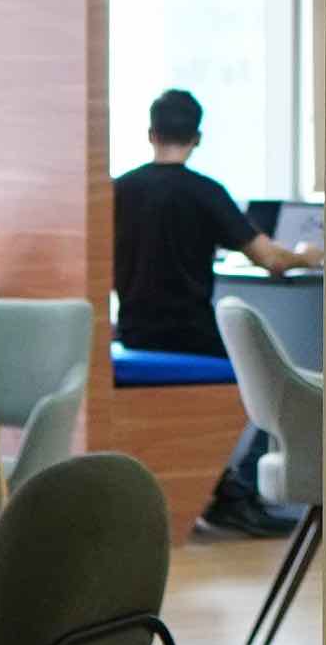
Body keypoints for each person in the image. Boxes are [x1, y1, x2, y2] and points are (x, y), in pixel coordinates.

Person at [113, 87, 310, 535]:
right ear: (197, 138)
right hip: (191, 335)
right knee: (272, 377)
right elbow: (271, 259)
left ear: (150, 133)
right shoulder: (204, 192)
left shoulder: (120, 190)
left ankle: (220, 484)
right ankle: (237, 491)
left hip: (134, 331)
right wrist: (308, 255)